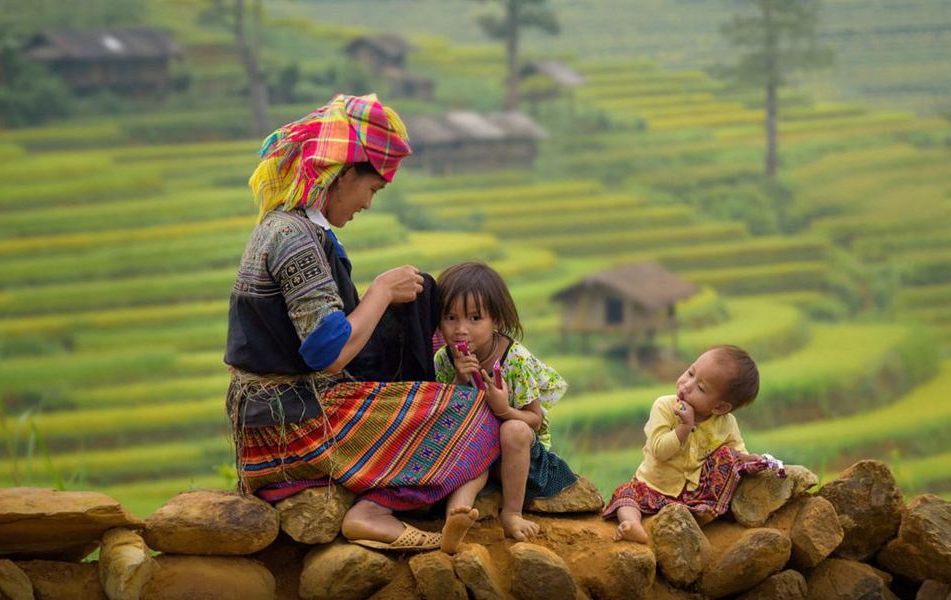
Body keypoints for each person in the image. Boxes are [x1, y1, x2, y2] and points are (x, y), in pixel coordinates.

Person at [224, 94, 499, 553]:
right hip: (291, 423)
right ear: (344, 174)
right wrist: (380, 292)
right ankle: (375, 511)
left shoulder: (291, 227)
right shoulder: (294, 238)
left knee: (420, 299)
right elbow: (328, 354)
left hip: (281, 412)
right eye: (371, 189)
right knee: (477, 417)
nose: (368, 204)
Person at [433, 261, 579, 541]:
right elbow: (445, 416)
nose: (460, 329)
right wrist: (459, 383)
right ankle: (454, 520)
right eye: (450, 318)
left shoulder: (515, 360)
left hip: (519, 453)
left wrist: (503, 410)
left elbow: (534, 421)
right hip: (476, 452)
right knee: (474, 449)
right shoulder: (444, 359)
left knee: (513, 429)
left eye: (475, 319)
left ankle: (512, 513)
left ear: (496, 321)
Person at [603, 345, 764, 543]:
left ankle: (700, 514)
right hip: (652, 488)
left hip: (694, 496)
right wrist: (684, 427)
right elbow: (659, 451)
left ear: (720, 407)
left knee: (729, 456)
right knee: (625, 494)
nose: (686, 385)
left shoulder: (726, 423)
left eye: (701, 388)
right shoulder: (665, 406)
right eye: (690, 373)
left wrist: (748, 460)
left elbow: (736, 451)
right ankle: (633, 525)